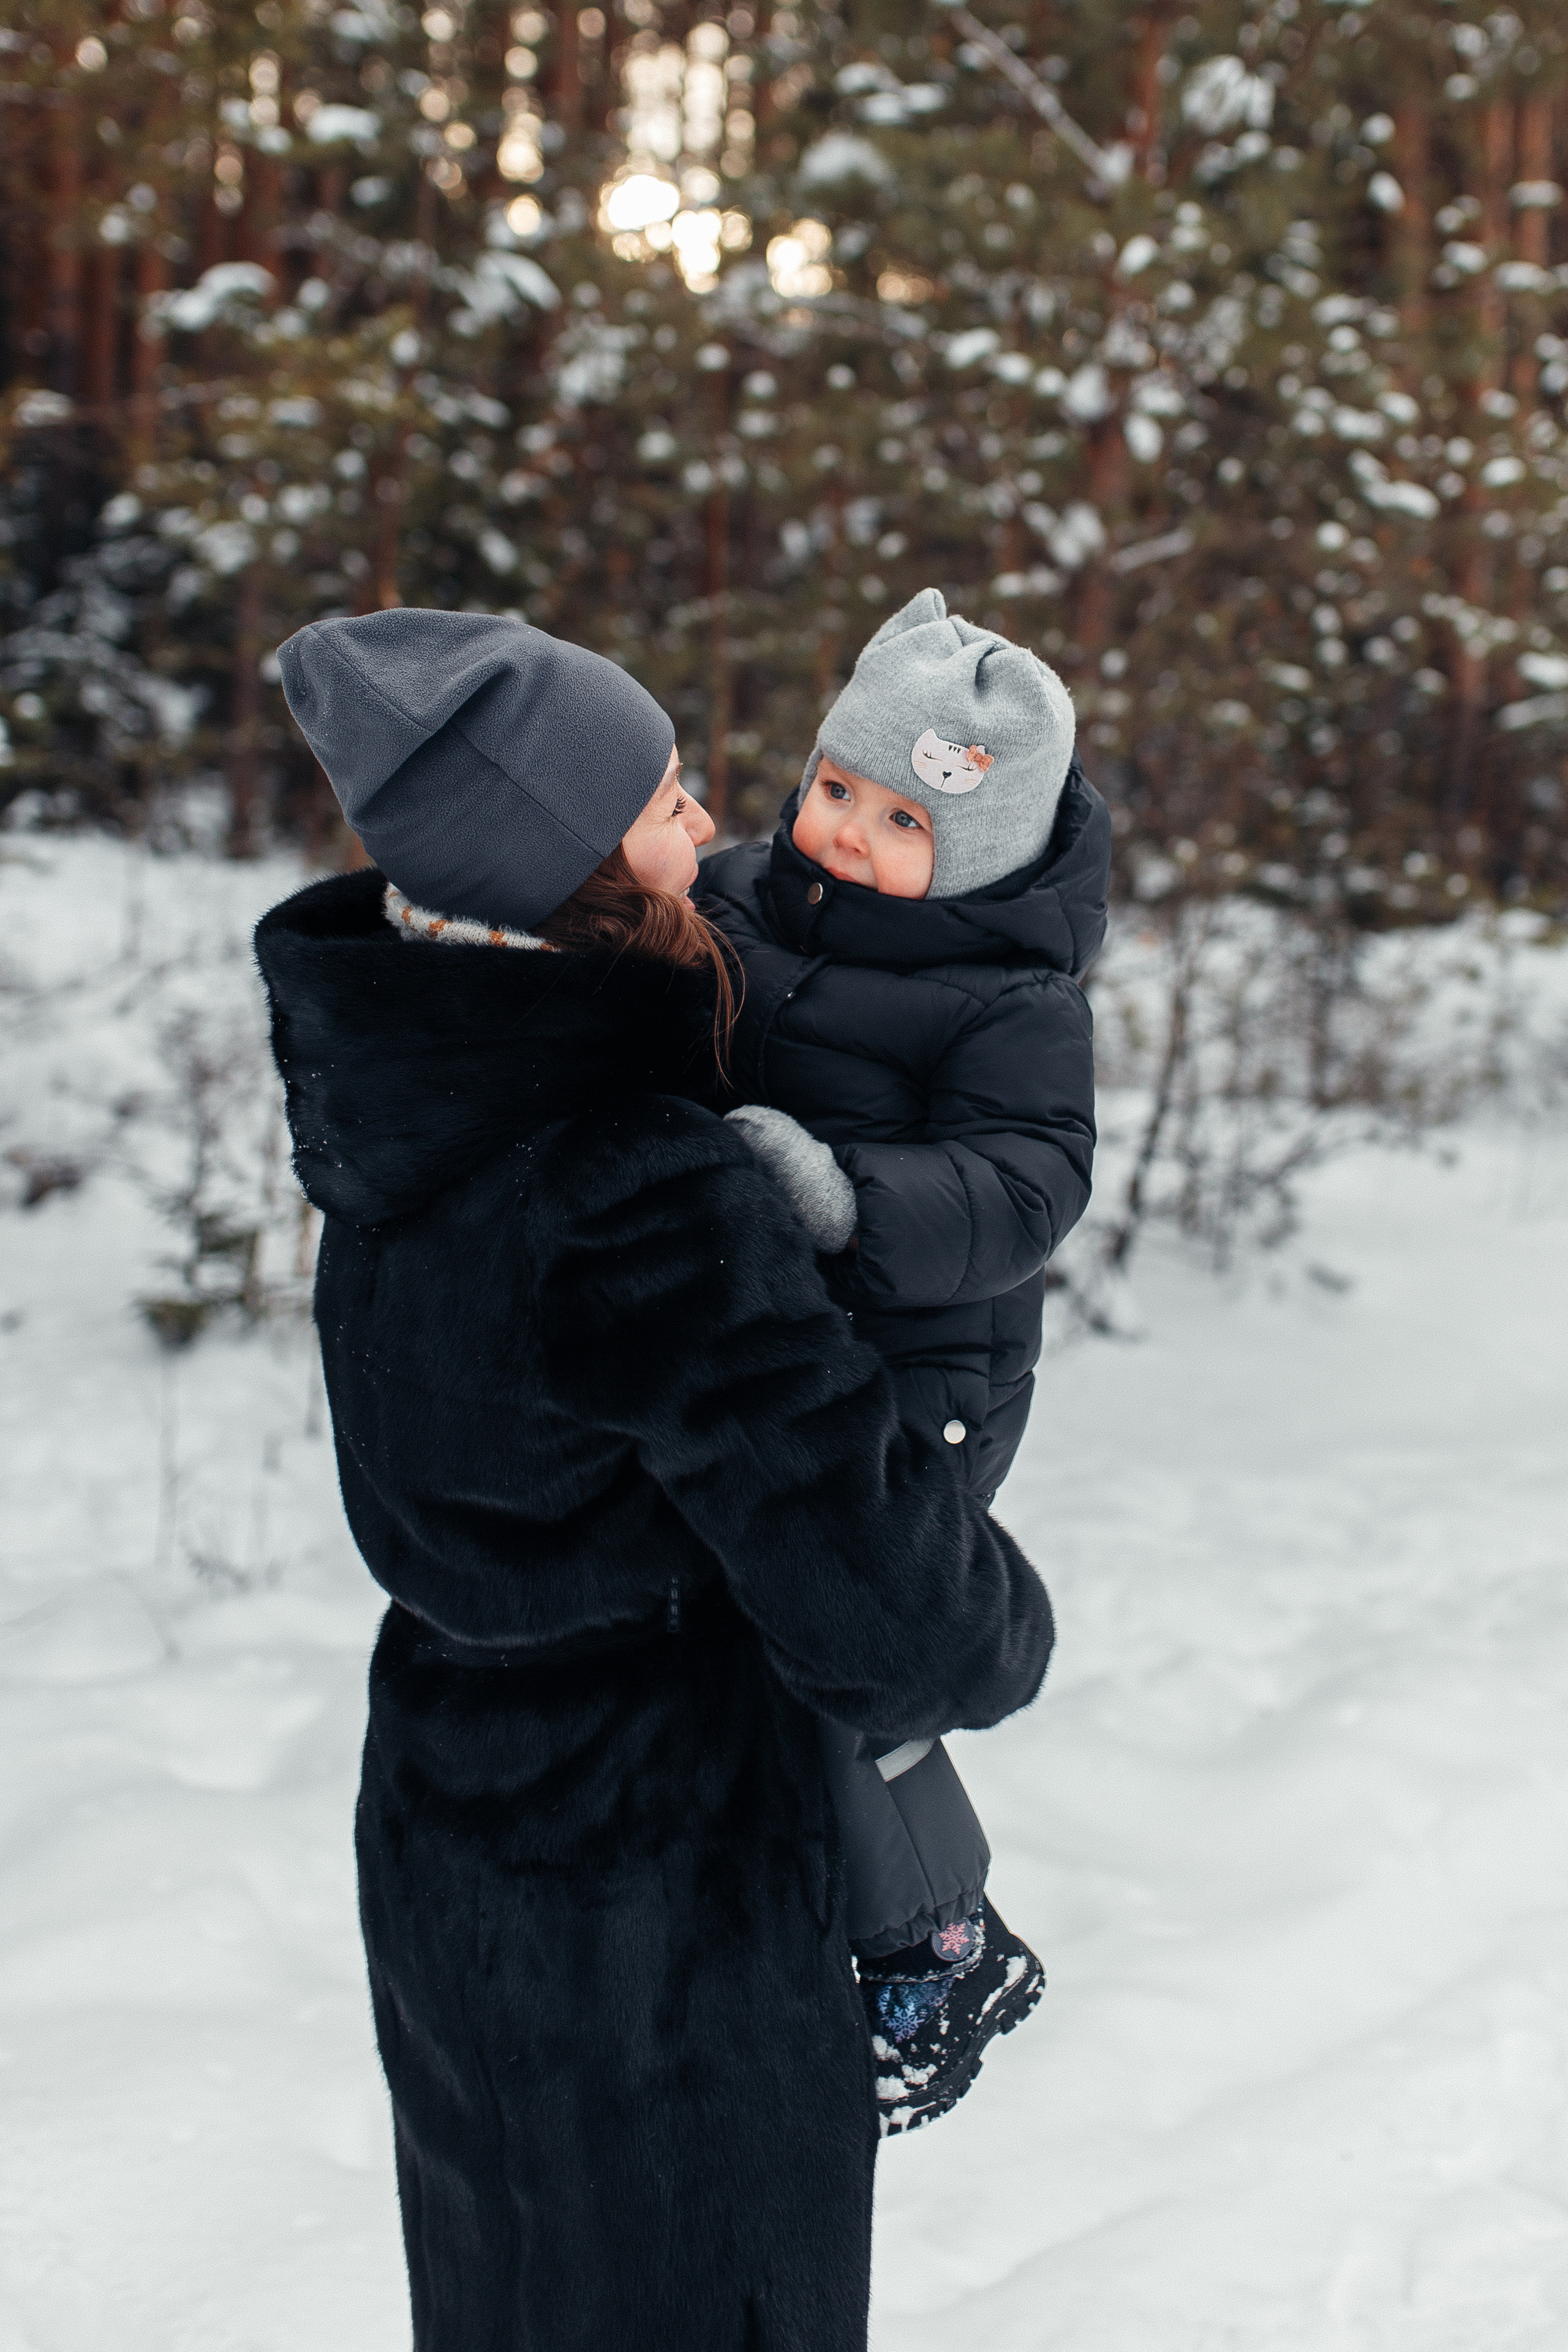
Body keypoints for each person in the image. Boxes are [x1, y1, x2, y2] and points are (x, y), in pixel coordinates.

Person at [254, 607, 1055, 2352]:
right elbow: (905, 1617)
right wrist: (1001, 1615)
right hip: (662, 1891)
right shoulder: (637, 1187)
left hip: (452, 1835)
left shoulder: (400, 1119)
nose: (712, 828)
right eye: (670, 794)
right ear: (568, 857)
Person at [701, 588, 1110, 2133]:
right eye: (833, 790)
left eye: (898, 817)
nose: (847, 834)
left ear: (990, 844)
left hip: (916, 1381)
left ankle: (935, 1946)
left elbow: (1024, 1187)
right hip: (765, 1357)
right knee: (743, 1646)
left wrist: (844, 1199)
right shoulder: (743, 900)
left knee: (842, 1654)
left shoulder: (1009, 1004)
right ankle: (777, 1901)